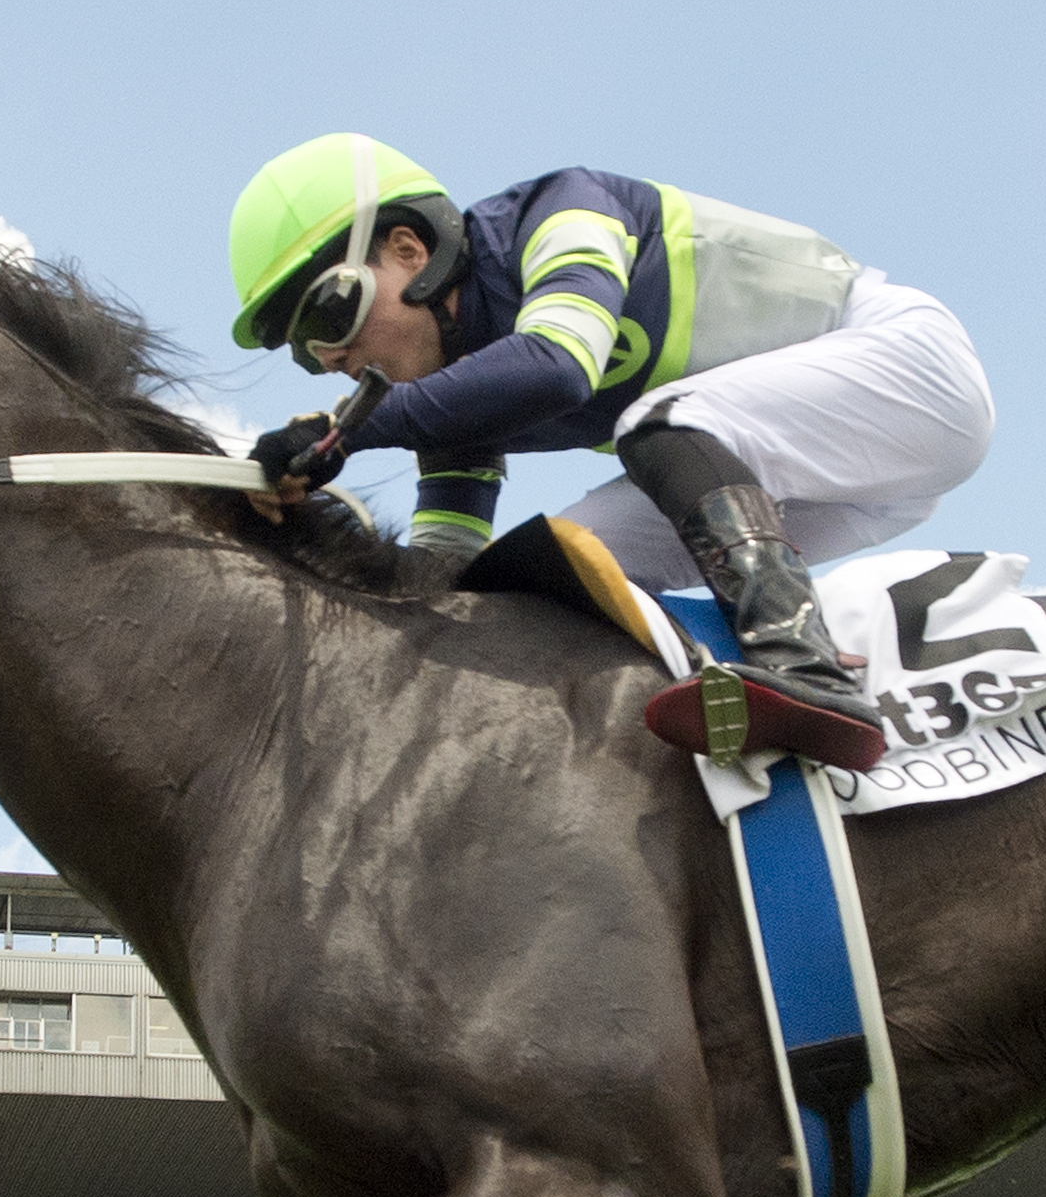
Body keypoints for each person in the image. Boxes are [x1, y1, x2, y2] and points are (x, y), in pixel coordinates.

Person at [225, 134, 996, 768]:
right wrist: (307, 543)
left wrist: (344, 432)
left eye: (330, 311)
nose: (331, 356)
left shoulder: (564, 210)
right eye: (306, 352)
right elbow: (438, 582)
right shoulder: (456, 403)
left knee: (655, 423)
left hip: (910, 371)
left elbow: (559, 364)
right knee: (549, 571)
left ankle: (805, 668)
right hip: (819, 476)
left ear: (409, 249)